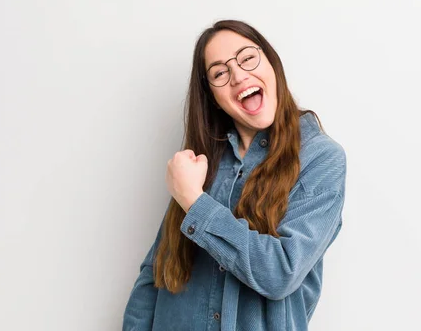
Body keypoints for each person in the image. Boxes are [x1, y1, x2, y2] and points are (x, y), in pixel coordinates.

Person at [122, 19, 347, 331]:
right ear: (211, 95)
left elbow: (281, 272)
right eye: (219, 73)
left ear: (272, 63)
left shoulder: (321, 158)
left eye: (247, 58)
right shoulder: (202, 161)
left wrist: (194, 201)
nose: (239, 76)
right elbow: (156, 272)